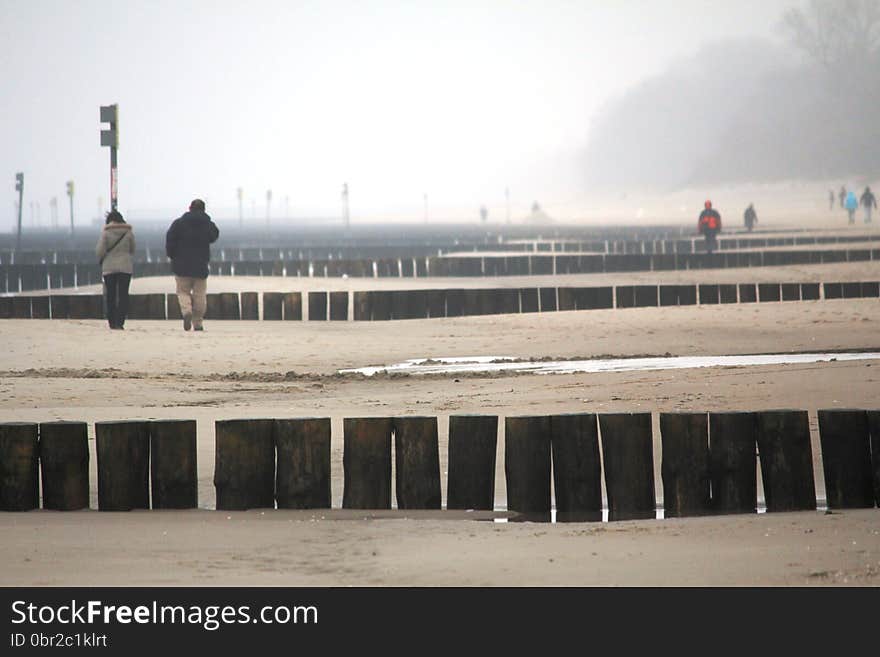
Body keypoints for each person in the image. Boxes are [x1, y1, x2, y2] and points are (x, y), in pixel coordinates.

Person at [165, 199, 220, 331]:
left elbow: (170, 241)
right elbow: (214, 236)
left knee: (182, 292)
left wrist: (172, 255)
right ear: (204, 209)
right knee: (200, 294)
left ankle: (186, 311)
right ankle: (198, 323)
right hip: (200, 264)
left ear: (189, 208)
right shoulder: (207, 224)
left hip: (181, 264)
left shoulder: (178, 223)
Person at [95, 209, 135, 330]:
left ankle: (111, 322)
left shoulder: (105, 233)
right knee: (123, 295)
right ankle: (120, 322)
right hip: (125, 267)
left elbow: (99, 251)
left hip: (109, 268)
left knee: (110, 295)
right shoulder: (128, 232)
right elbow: (132, 249)